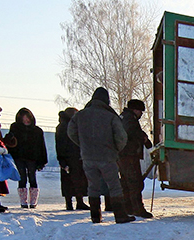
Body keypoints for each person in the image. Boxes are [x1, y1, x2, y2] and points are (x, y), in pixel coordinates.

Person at [67, 87, 133, 224]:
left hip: (88, 157)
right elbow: (121, 137)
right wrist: (115, 149)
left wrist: (83, 145)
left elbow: (71, 132)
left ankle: (95, 216)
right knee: (114, 186)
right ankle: (120, 216)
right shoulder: (110, 116)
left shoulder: (80, 115)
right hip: (107, 157)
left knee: (93, 186)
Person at [5, 108, 48, 208]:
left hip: (32, 158)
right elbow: (10, 143)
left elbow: (42, 146)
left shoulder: (37, 131)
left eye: (28, 118)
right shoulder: (15, 128)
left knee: (32, 178)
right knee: (22, 178)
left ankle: (33, 201)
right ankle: (23, 202)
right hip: (19, 157)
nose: (26, 120)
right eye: (24, 118)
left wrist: (42, 161)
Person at [119, 99, 154, 218]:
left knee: (127, 183)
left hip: (123, 155)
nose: (141, 114)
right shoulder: (129, 119)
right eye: (141, 111)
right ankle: (138, 209)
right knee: (134, 183)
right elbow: (132, 131)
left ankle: (128, 208)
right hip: (128, 155)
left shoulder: (124, 117)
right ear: (135, 110)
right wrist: (143, 138)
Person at [55, 108, 90, 211]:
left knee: (76, 180)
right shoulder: (65, 127)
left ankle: (77, 202)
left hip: (75, 157)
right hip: (69, 157)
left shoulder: (72, 126)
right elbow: (60, 144)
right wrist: (62, 160)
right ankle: (72, 203)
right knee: (71, 180)